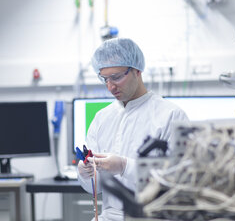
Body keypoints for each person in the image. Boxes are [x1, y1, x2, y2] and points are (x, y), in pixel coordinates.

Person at [77, 38, 189, 221]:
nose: (110, 86)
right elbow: (94, 188)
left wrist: (125, 166)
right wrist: (85, 174)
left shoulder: (171, 116)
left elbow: (178, 182)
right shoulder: (101, 119)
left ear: (137, 70)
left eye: (116, 77)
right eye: (104, 79)